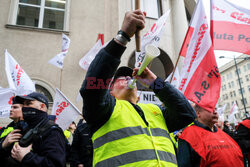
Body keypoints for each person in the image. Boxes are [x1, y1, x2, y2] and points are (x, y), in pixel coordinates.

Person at [80, 9, 196, 167]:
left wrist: (155, 82)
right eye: (120, 79)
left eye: (129, 76)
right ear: (110, 92)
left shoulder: (155, 111)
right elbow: (92, 85)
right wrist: (123, 37)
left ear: (139, 96)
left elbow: (187, 114)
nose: (128, 77)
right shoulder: (105, 110)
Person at [178, 104, 244, 167]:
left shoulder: (223, 134)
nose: (215, 112)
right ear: (198, 113)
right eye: (210, 109)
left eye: (215, 109)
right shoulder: (188, 135)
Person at [10, 92, 66, 166]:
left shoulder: (52, 131)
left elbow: (55, 164)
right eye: (23, 105)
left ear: (42, 106)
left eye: (29, 103)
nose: (24, 107)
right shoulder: (25, 127)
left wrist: (27, 157)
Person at [0, 97, 25, 166]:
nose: (11, 110)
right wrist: (2, 145)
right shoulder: (8, 127)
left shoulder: (26, 129)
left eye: (15, 107)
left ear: (24, 110)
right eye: (11, 107)